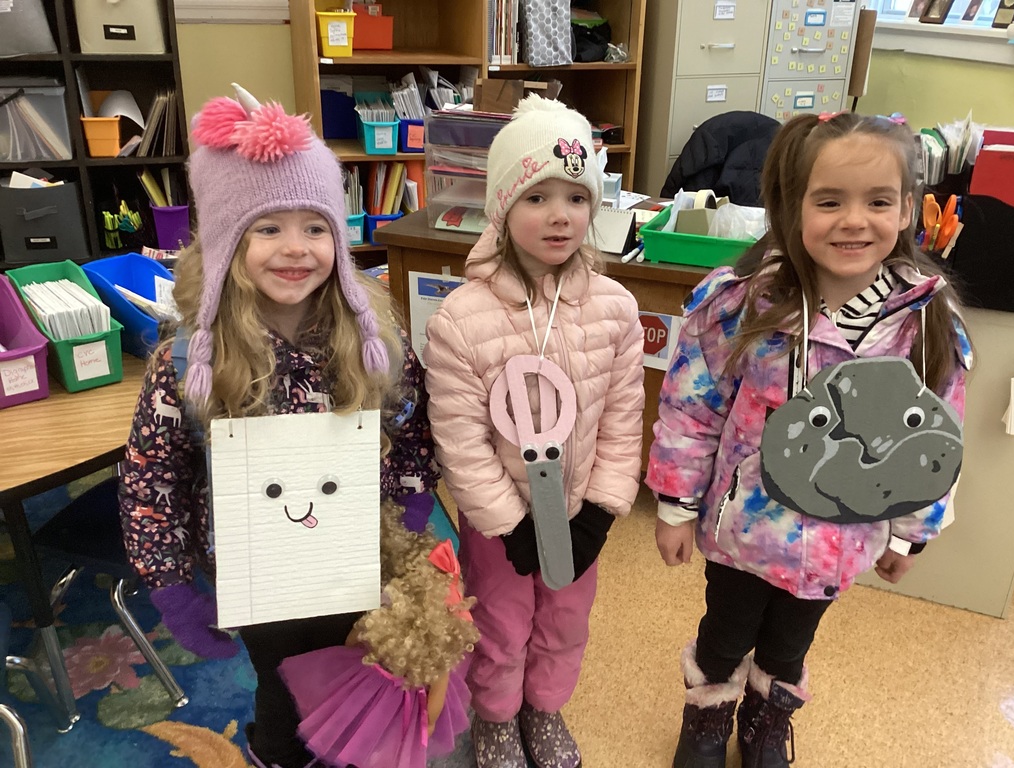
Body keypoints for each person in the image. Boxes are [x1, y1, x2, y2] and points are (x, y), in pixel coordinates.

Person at [117, 84, 438, 768]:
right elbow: (152, 477)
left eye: (315, 226)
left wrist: (411, 510)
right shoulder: (187, 360)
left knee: (358, 675)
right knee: (283, 690)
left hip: (359, 559)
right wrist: (171, 582)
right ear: (231, 240)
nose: (296, 249)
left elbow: (411, 427)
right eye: (268, 228)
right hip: (258, 576)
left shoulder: (375, 337)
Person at [647, 112, 973, 768]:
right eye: (829, 201)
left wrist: (911, 531)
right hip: (743, 532)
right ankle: (708, 718)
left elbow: (934, 443)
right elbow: (691, 407)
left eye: (878, 201)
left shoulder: (926, 323)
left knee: (790, 646)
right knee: (725, 634)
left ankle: (769, 720)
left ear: (908, 207)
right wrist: (675, 505)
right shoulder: (739, 303)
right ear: (789, 205)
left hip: (839, 538)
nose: (854, 220)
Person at [423, 94, 645, 768]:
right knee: (500, 624)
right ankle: (495, 718)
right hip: (501, 523)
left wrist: (603, 512)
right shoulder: (459, 318)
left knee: (565, 621)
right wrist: (508, 523)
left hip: (578, 507)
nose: (559, 215)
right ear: (501, 207)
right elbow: (458, 439)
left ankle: (544, 708)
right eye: (537, 197)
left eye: (576, 198)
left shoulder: (617, 308)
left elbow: (623, 421)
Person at [278, 498, 479, 768]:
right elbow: (433, 707)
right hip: (407, 702)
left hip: (365, 682)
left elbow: (354, 636)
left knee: (351, 727)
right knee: (384, 744)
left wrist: (348, 659)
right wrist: (425, 728)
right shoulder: (437, 651)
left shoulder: (383, 607)